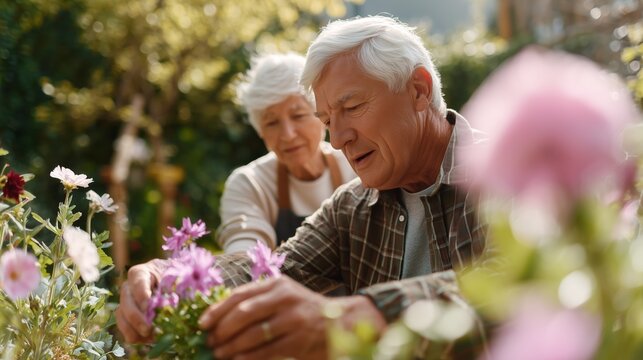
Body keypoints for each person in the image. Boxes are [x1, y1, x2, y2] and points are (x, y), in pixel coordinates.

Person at [115, 15, 487, 359]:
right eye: (327, 120)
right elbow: (273, 268)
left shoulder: (513, 173)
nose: (338, 139)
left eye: (353, 106)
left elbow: (513, 289)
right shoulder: (351, 207)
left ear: (419, 90)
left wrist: (356, 317)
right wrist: (171, 279)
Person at [217, 52, 355, 254]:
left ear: (323, 117)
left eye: (298, 115)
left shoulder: (356, 166)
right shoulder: (250, 184)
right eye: (272, 122)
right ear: (261, 132)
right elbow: (243, 246)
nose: (288, 135)